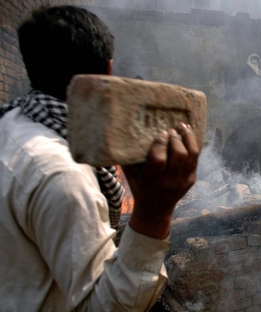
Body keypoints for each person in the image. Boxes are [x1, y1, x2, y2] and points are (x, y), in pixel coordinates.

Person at [0, 6, 200, 311]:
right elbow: (106, 306)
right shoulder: (65, 175)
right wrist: (154, 211)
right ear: (107, 72)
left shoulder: (12, 124)